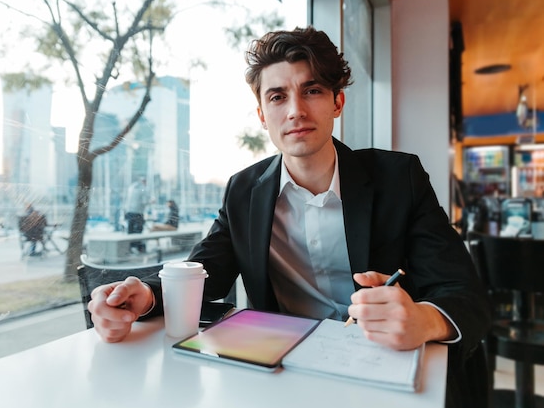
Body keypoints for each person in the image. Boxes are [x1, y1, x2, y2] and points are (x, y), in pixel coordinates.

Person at [88, 26, 490, 408]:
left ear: (337, 102)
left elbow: (464, 293)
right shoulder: (243, 190)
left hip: (383, 370)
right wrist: (146, 293)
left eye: (311, 90)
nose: (295, 110)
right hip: (283, 376)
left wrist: (425, 319)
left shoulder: (399, 178)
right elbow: (205, 269)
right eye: (277, 97)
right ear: (262, 114)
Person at [124, 177, 149, 252]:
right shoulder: (143, 189)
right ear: (144, 182)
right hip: (138, 212)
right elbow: (144, 201)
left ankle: (130, 246)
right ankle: (139, 247)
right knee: (138, 230)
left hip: (129, 211)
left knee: (130, 230)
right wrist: (151, 201)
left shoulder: (131, 187)